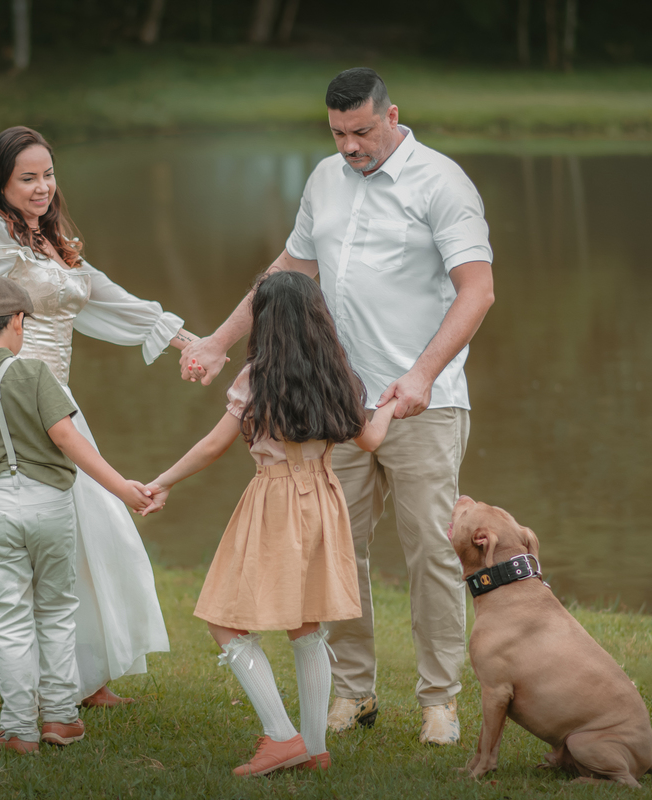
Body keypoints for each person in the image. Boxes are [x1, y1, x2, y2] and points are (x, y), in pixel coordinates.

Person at [178, 68, 495, 745]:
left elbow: (478, 291)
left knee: (431, 554)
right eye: (337, 133)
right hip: (333, 406)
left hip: (423, 404)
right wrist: (217, 341)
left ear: (392, 115)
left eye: (361, 131)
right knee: (336, 553)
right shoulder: (325, 179)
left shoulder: (442, 183)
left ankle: (439, 701)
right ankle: (353, 691)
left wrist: (421, 375)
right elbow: (286, 273)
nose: (349, 146)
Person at [0, 126, 203, 706]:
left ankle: (85, 677)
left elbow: (106, 296)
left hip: (57, 402)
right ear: (0, 182)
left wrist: (188, 341)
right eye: (28, 178)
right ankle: (13, 674)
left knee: (93, 535)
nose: (43, 187)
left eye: (48, 174)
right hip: (8, 408)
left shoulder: (49, 236)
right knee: (29, 538)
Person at [143, 271, 398, 776]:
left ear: (266, 322)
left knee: (223, 618)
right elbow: (369, 440)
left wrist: (163, 481)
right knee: (307, 623)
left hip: (276, 499)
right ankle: (315, 749)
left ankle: (282, 738)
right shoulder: (338, 373)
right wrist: (389, 406)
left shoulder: (257, 377)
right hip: (324, 499)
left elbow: (214, 446)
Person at [0, 276, 156, 751]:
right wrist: (122, 488)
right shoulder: (36, 374)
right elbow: (67, 438)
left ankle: (19, 728)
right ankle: (61, 718)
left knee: (10, 616)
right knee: (56, 609)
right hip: (51, 505)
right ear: (18, 322)